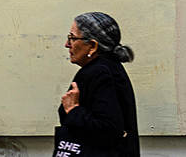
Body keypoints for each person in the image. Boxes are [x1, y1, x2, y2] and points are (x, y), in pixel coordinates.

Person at [57, 12, 140, 157]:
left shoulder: (99, 73)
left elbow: (109, 130)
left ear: (93, 46)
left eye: (72, 38)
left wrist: (73, 110)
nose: (67, 44)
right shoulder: (108, 68)